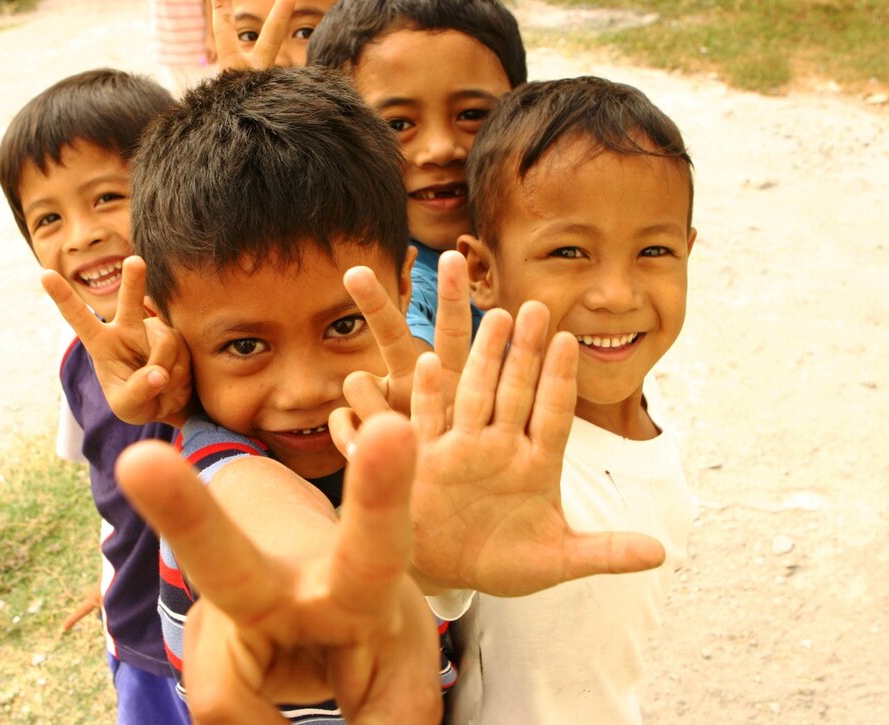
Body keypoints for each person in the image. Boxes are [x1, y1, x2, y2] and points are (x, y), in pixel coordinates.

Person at [41, 64, 663, 721]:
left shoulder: (423, 437)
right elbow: (261, 509)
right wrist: (316, 583)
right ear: (169, 323)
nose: (305, 389)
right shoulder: (215, 458)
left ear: (401, 286)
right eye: (246, 346)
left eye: (343, 325)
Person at [447, 75, 699, 724]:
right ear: (483, 272)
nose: (616, 293)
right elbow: (430, 582)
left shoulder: (653, 403)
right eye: (568, 251)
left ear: (689, 251)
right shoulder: (488, 452)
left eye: (654, 250)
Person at [0, 69, 191, 724]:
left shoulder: (224, 346)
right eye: (48, 218)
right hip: (137, 645)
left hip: (228, 649)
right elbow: (110, 496)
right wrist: (115, 578)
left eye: (107, 197)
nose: (79, 235)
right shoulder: (77, 363)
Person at [306, 0, 526, 351]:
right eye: (397, 124)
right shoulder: (388, 279)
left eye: (472, 114)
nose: (440, 150)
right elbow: (401, 335)